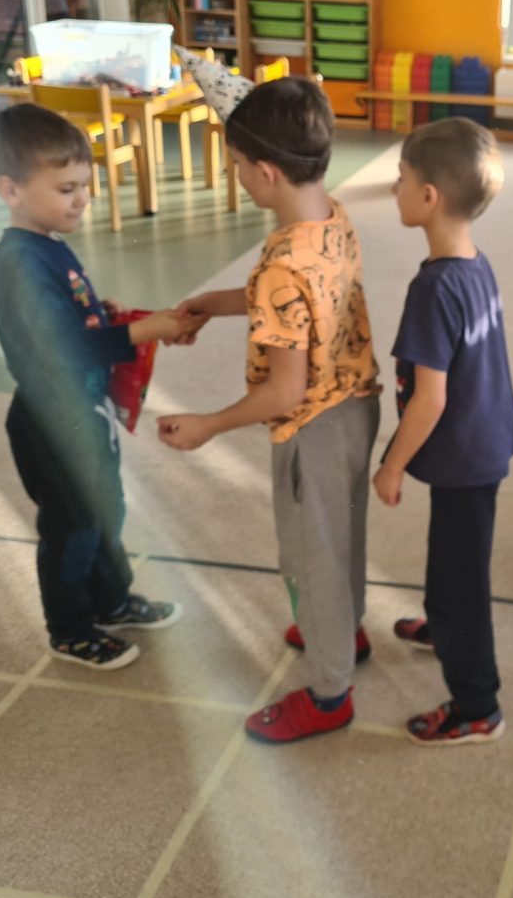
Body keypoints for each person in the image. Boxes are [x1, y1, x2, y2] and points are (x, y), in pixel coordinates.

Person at [159, 64, 380, 744]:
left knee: (310, 558)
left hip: (311, 427)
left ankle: (330, 691)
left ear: (265, 173)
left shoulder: (284, 261)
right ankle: (343, 631)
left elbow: (285, 390)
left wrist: (209, 424)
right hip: (357, 403)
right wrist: (216, 304)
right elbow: (297, 300)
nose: (235, 176)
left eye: (235, 166)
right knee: (341, 534)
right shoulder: (329, 216)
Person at [0, 104, 192, 671]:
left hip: (83, 410)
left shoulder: (47, 242)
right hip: (53, 421)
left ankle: (111, 600)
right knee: (73, 527)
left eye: (85, 186)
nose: (82, 199)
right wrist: (143, 330)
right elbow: (65, 348)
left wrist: (101, 313)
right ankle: (70, 629)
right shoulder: (19, 260)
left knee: (105, 510)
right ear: (11, 190)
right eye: (66, 188)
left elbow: (67, 318)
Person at [372, 118, 513, 745]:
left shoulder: (432, 289)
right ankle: (442, 625)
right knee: (452, 556)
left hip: (465, 452)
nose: (395, 189)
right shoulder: (472, 263)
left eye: (401, 178)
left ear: (429, 196)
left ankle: (477, 706)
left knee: (461, 581)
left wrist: (391, 464)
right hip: (482, 440)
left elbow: (429, 399)